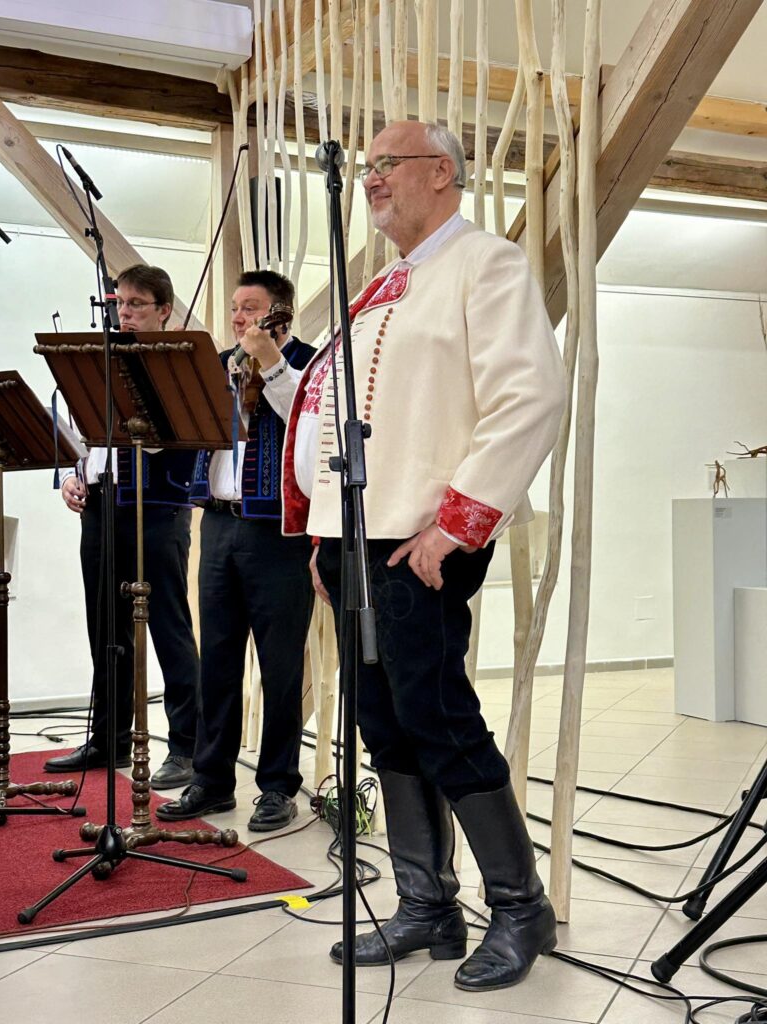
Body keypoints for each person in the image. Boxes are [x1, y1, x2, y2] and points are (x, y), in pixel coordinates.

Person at [276, 121, 567, 991]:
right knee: (383, 718)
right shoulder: (384, 285)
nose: (369, 180)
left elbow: (529, 396)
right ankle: (426, 904)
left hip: (423, 540)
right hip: (360, 539)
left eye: (384, 165)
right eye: (365, 169)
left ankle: (520, 906)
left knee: (437, 715)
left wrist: (456, 523)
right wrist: (327, 533)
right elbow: (340, 418)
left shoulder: (486, 264)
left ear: (442, 172)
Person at [156, 270, 315, 832]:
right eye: (234, 308)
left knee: (280, 666)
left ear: (281, 313)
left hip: (279, 533)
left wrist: (271, 364)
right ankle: (212, 780)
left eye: (251, 307)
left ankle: (277, 786)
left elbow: (309, 425)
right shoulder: (220, 364)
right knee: (218, 660)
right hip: (219, 524)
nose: (239, 317)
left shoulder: (310, 365)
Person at [45, 264, 200, 791]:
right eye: (120, 304)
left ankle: (187, 746)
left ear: (163, 310)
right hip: (102, 506)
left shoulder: (177, 361)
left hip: (158, 507)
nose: (124, 313)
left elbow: (186, 438)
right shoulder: (101, 362)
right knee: (105, 627)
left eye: (136, 304)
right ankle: (108, 736)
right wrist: (74, 475)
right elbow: (83, 437)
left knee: (168, 628)